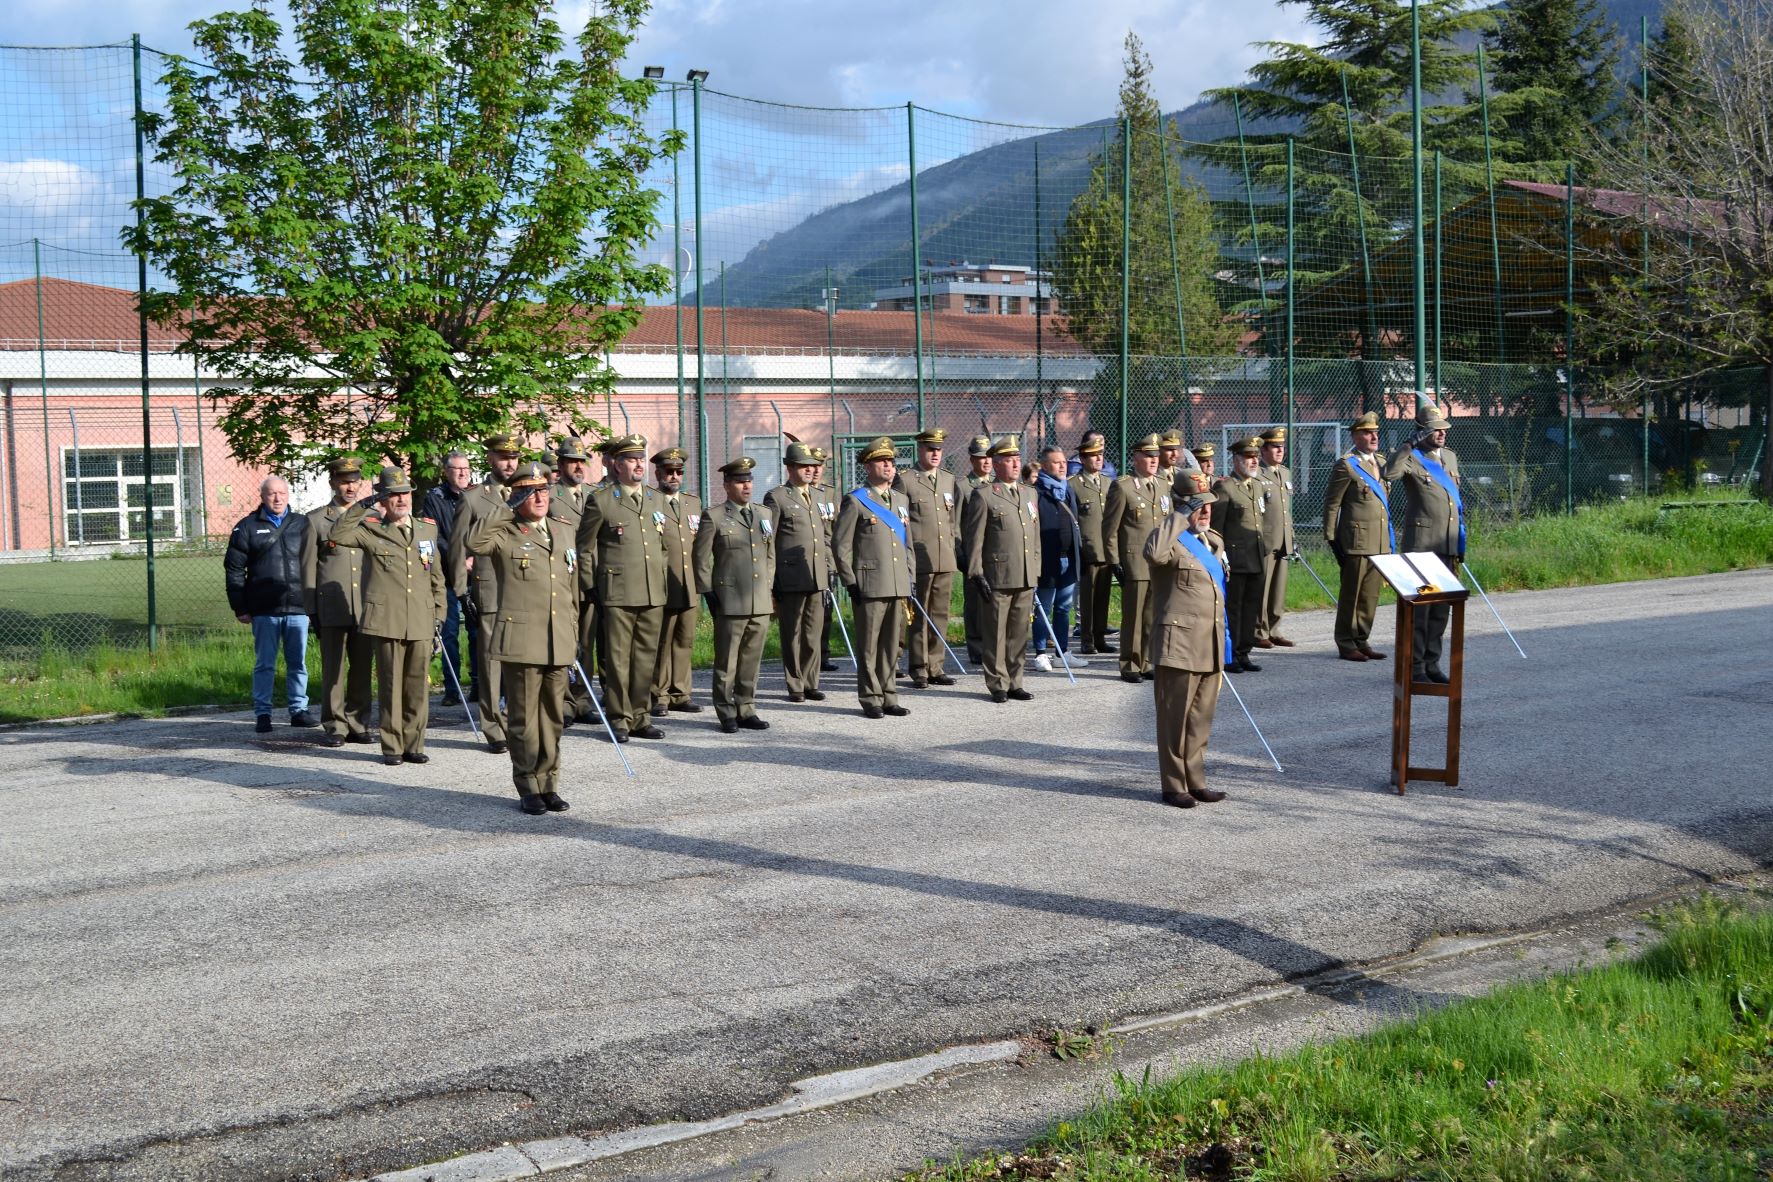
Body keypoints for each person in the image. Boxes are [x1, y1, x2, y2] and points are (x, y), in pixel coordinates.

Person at [464, 461, 578, 814]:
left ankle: (550, 783)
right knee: (524, 719)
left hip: (557, 637)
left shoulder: (563, 530)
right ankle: (528, 785)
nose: (539, 497)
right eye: (529, 491)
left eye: (543, 490)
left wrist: (573, 632)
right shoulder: (505, 531)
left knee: (553, 718)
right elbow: (474, 541)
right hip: (522, 638)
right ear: (517, 496)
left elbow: (570, 586)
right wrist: (508, 507)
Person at [329, 467, 447, 766]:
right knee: (391, 686)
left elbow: (436, 576)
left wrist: (440, 613)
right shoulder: (372, 529)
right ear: (384, 498)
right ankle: (392, 747)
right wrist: (365, 503)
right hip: (388, 619)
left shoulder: (426, 529)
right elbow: (338, 534)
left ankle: (414, 743)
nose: (400, 499)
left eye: (404, 493)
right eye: (393, 495)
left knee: (417, 687)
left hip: (421, 617)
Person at [1144, 470, 1229, 808]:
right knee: (1174, 718)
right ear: (1181, 507)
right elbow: (1152, 554)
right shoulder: (1168, 539)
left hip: (1209, 642)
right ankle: (1173, 784)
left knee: (1200, 718)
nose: (1205, 511)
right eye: (1198, 506)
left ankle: (1196, 780)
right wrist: (1179, 517)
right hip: (1178, 644)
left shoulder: (1215, 542)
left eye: (1208, 504)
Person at [576, 434, 669, 741]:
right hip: (617, 592)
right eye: (631, 459)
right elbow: (585, 548)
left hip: (651, 590)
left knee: (645, 658)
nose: (639, 464)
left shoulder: (656, 500)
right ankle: (619, 716)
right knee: (617, 659)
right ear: (616, 465)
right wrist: (590, 585)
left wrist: (661, 577)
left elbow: (661, 546)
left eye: (641, 458)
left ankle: (641, 716)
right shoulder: (602, 500)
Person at [225, 475, 318, 734]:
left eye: (282, 493)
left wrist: (314, 603)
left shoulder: (303, 524)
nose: (277, 498)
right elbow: (234, 571)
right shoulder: (246, 527)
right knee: (265, 664)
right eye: (271, 494)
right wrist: (240, 607)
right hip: (264, 609)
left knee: (298, 662)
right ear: (262, 496)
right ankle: (263, 713)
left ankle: (298, 710)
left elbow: (317, 564)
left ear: (288, 495)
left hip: (299, 608)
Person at [446, 433, 522, 753]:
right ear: (490, 458)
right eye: (503, 457)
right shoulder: (474, 498)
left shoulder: (527, 493)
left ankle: (517, 719)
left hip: (523, 590)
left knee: (520, 661)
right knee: (491, 663)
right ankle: (493, 727)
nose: (510, 463)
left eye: (514, 457)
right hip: (489, 591)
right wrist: (462, 593)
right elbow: (457, 548)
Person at [833, 436, 913, 719]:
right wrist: (850, 581)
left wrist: (910, 577)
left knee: (892, 644)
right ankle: (870, 698)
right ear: (868, 467)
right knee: (869, 646)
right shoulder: (856, 501)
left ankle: (890, 695)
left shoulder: (901, 500)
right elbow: (840, 546)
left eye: (891, 461)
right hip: (869, 584)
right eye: (882, 461)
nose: (889, 466)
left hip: (897, 583)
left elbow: (908, 545)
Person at [694, 457, 776, 733]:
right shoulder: (714, 516)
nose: (746, 486)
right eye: (740, 481)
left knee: (752, 661)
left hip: (759, 600)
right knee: (727, 660)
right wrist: (708, 591)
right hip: (730, 599)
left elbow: (770, 555)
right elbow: (701, 558)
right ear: (727, 485)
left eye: (749, 480)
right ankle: (726, 711)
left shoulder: (764, 515)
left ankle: (746, 707)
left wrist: (768, 586)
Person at [1384, 404, 1464, 683]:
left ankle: (1432, 663)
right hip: (1422, 546)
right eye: (1434, 429)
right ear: (1421, 431)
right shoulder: (1412, 458)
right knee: (1421, 610)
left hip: (1448, 544)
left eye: (1443, 428)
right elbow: (1389, 474)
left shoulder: (1450, 458)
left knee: (1441, 609)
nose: (1441, 433)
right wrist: (1406, 447)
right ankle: (1415, 667)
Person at [961, 435, 1042, 703]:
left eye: (1017, 459)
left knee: (1019, 633)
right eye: (1009, 460)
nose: (1016, 464)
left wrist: (1036, 570)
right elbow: (975, 539)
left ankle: (1015, 681)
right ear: (996, 465)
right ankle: (997, 683)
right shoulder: (984, 496)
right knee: (995, 632)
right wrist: (976, 573)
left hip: (1025, 574)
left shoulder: (1030, 493)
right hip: (997, 576)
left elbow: (1035, 536)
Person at [301, 457, 374, 747]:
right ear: (333, 482)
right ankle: (334, 725)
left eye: (355, 480)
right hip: (331, 605)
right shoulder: (317, 520)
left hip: (365, 604)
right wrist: (311, 608)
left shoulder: (372, 518)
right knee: (334, 669)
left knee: (362, 667)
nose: (350, 486)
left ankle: (358, 722)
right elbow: (307, 567)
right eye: (344, 481)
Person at [892, 427, 961, 688]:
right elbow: (900, 522)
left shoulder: (947, 479)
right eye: (930, 448)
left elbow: (951, 521)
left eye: (939, 449)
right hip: (920, 558)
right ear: (920, 449)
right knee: (920, 615)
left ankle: (936, 665)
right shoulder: (907, 480)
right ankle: (919, 668)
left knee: (940, 614)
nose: (935, 453)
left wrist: (952, 548)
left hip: (944, 558)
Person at [1323, 411, 1394, 663]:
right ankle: (1345, 642)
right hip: (1356, 540)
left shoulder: (1383, 463)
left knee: (1370, 595)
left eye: (1375, 432)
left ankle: (1362, 639)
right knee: (1351, 594)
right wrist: (1332, 537)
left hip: (1380, 540)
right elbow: (1333, 504)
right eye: (1367, 432)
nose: (1373, 436)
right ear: (1355, 436)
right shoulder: (1347, 464)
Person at [764, 442, 832, 702]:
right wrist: (773, 580)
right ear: (790, 468)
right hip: (790, 576)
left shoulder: (818, 496)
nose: (808, 470)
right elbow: (770, 539)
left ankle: (811, 680)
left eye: (810, 466)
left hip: (816, 574)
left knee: (813, 631)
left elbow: (824, 537)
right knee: (792, 632)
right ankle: (795, 684)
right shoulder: (778, 497)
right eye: (802, 466)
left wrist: (828, 569)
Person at [1103, 433, 1169, 684]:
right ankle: (1130, 664)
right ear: (1136, 457)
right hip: (1134, 561)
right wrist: (1114, 560)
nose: (1154, 460)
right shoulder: (1123, 486)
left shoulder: (1163, 485)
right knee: (1134, 615)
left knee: (1153, 614)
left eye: (1156, 456)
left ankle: (1148, 661)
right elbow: (1110, 529)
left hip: (1159, 560)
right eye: (1148, 456)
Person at [649, 446, 704, 716]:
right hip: (662, 583)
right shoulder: (650, 502)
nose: (674, 476)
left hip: (688, 583)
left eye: (678, 472)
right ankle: (658, 694)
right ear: (657, 473)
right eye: (669, 472)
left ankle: (680, 693)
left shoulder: (692, 503)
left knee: (685, 640)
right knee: (662, 641)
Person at [421, 451, 475, 706]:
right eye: (457, 469)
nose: (463, 473)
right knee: (450, 632)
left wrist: (473, 558)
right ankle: (453, 689)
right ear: (447, 471)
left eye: (466, 468)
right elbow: (435, 536)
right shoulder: (435, 498)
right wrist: (458, 559)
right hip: (447, 575)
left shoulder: (477, 495)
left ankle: (478, 683)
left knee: (477, 631)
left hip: (474, 572)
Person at [1213, 437, 1270, 673]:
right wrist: (1220, 556)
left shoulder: (1257, 486)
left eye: (1256, 456)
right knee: (1233, 608)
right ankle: (1230, 655)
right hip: (1234, 560)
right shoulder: (1225, 487)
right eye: (1248, 457)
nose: (1254, 461)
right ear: (1236, 460)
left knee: (1251, 607)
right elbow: (1216, 527)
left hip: (1256, 556)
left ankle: (1244, 652)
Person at [1031, 445, 1085, 672]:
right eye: (1056, 462)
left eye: (1063, 461)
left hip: (1068, 559)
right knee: (1044, 607)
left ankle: (1062, 652)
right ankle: (1041, 653)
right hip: (1047, 559)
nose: (1063, 465)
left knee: (1064, 607)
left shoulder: (1068, 489)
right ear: (1044, 465)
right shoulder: (1036, 492)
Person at [1068, 433, 1114, 657]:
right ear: (1083, 459)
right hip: (1087, 549)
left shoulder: (1108, 482)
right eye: (1093, 455)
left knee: (1103, 596)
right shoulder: (1074, 485)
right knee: (1087, 597)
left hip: (1107, 549)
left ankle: (1100, 637)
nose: (1098, 459)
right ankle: (1086, 639)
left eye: (1100, 455)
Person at [1255, 426, 1297, 650]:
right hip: (1265, 540)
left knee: (1278, 588)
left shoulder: (1285, 473)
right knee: (1262, 587)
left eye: (1282, 446)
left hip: (1283, 539)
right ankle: (1259, 630)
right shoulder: (1258, 475)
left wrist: (1291, 537)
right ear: (1264, 450)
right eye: (1275, 446)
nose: (1280, 450)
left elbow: (1286, 511)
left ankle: (1274, 628)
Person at [959, 433, 994, 666]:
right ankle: (976, 646)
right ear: (972, 459)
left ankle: (992, 643)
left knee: (993, 599)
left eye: (989, 457)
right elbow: (955, 523)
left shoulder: (996, 485)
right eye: (981, 457)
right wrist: (962, 555)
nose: (986, 461)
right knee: (974, 601)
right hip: (973, 552)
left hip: (995, 552)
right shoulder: (962, 487)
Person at [810, 447, 842, 673]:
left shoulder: (829, 494)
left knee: (826, 610)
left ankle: (823, 654)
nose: (815, 471)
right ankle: (806, 657)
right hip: (804, 563)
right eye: (811, 466)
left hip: (826, 560)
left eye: (819, 466)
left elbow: (835, 532)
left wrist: (835, 563)